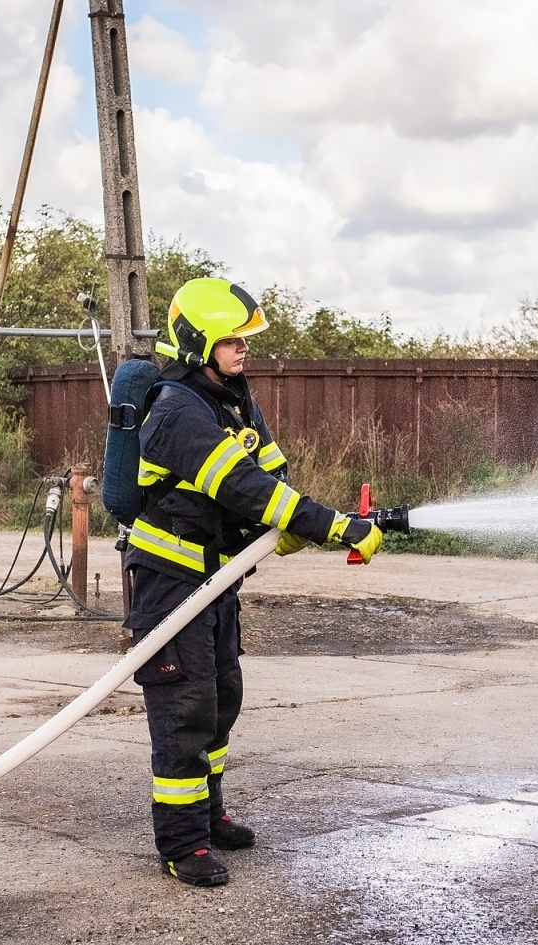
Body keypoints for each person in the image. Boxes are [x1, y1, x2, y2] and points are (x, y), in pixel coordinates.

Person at [124, 278, 383, 887]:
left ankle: (209, 816)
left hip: (216, 579)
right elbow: (241, 486)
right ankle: (183, 845)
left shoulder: (232, 398)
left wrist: (287, 526)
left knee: (221, 700)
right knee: (185, 709)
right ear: (199, 341)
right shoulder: (175, 410)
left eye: (245, 340)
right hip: (171, 582)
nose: (244, 350)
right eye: (233, 340)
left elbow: (270, 476)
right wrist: (332, 526)